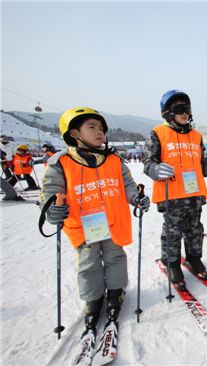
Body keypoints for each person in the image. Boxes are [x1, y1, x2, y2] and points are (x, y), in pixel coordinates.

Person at [40, 107, 150, 339]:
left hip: (112, 222)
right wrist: (53, 209)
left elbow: (128, 185)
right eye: (92, 127)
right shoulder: (61, 162)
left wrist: (136, 198)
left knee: (115, 258)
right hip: (83, 225)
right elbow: (50, 192)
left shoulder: (113, 159)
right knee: (89, 264)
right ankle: (93, 300)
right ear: (74, 133)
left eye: (101, 128)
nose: (99, 132)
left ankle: (115, 293)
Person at [143, 90, 207, 289]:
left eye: (187, 108)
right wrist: (155, 169)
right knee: (172, 231)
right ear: (167, 112)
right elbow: (148, 161)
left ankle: (194, 258)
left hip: (194, 193)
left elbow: (203, 161)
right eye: (179, 109)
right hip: (172, 195)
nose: (185, 113)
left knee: (195, 229)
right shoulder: (158, 133)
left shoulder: (196, 136)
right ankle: (172, 263)